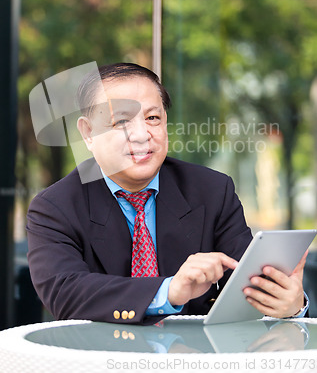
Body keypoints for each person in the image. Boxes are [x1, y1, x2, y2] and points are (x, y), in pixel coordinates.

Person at [27, 63, 307, 324]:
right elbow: (65, 293)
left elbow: (248, 285)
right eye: (121, 121)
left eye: (152, 117)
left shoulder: (212, 191)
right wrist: (168, 291)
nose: (141, 134)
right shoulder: (55, 207)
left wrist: (290, 305)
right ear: (88, 133)